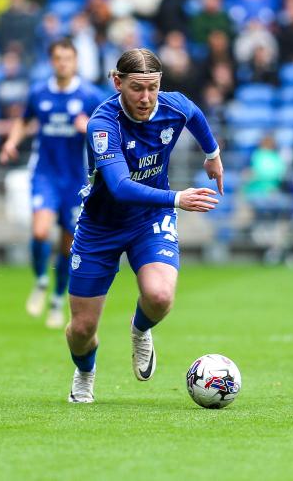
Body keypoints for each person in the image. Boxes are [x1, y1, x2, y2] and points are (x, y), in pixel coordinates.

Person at [65, 48, 224, 403]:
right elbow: (120, 187)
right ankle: (85, 371)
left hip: (149, 219)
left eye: (153, 88)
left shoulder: (173, 105)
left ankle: (140, 331)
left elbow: (195, 114)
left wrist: (212, 155)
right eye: (137, 88)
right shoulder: (103, 124)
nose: (146, 98)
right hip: (101, 226)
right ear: (117, 82)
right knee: (82, 329)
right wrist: (177, 199)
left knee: (160, 296)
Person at [0, 39, 104, 328]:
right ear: (51, 61)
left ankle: (58, 300)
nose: (63, 63)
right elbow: (24, 121)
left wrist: (90, 129)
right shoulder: (38, 93)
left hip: (75, 179)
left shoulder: (90, 96)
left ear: (76, 61)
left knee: (68, 246)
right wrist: (11, 141)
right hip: (44, 174)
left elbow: (109, 131)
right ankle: (41, 280)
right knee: (40, 231)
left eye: (68, 58)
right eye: (58, 58)